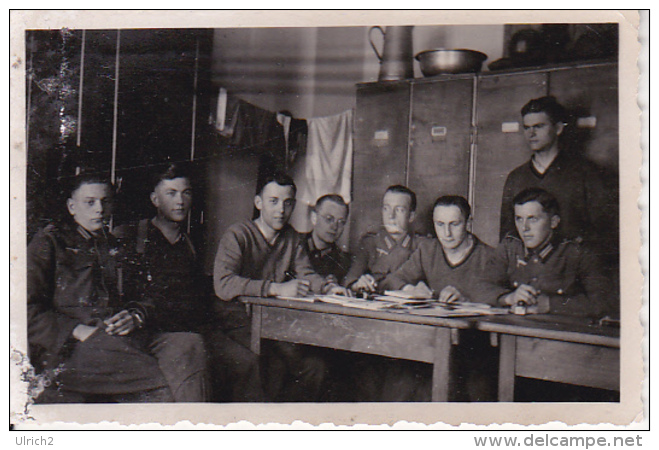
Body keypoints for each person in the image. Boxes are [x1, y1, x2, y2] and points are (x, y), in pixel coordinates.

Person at [118, 163, 260, 403]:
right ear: (155, 199)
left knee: (248, 362)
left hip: (194, 327)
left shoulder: (190, 244)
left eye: (186, 193)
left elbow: (199, 296)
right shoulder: (133, 237)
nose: (180, 201)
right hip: (154, 330)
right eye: (171, 193)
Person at [27, 172, 172, 403]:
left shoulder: (115, 244)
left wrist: (135, 315)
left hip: (116, 338)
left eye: (106, 201)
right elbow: (21, 309)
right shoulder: (49, 243)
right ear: (71, 206)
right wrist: (76, 329)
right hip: (69, 347)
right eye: (90, 202)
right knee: (162, 382)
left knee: (189, 347)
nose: (99, 209)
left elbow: (147, 295)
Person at [213, 171, 348, 402]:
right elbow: (223, 284)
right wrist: (275, 288)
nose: (281, 210)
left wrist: (326, 287)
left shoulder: (292, 238)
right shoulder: (237, 235)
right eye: (273, 202)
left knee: (314, 366)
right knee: (271, 366)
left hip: (273, 326)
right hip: (236, 325)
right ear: (258, 203)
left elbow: (306, 273)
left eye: (287, 203)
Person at [380, 195, 498, 401]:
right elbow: (392, 280)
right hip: (429, 344)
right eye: (440, 224)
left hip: (473, 350)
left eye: (454, 224)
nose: (447, 233)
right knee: (397, 380)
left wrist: (469, 300)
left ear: (469, 223)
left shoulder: (489, 257)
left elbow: (502, 299)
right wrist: (411, 288)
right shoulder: (428, 250)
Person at [499, 96, 615, 265]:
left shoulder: (586, 173)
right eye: (527, 127)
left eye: (539, 126)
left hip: (573, 271)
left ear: (558, 128)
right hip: (528, 273)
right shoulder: (516, 177)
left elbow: (606, 232)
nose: (531, 133)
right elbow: (507, 236)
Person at [483, 187, 616, 318]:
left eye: (533, 219)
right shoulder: (510, 247)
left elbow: (604, 303)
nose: (524, 228)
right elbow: (480, 287)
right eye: (519, 219)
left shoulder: (577, 253)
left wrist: (550, 304)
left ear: (553, 222)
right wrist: (508, 298)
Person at [344, 185, 428, 293]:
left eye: (399, 210)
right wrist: (357, 284)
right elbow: (350, 278)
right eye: (386, 208)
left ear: (411, 216)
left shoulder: (422, 245)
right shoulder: (370, 243)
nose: (391, 216)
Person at [300, 194, 352, 284]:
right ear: (314, 218)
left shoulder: (344, 261)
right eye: (329, 219)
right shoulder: (295, 246)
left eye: (341, 222)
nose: (334, 227)